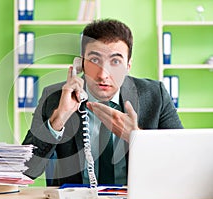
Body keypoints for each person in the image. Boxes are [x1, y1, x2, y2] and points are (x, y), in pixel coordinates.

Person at [22, 18, 183, 186]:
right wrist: (58, 119)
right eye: (94, 60)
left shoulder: (155, 95)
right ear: (81, 63)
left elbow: (182, 161)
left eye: (115, 61)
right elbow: (26, 171)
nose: (103, 75)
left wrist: (136, 137)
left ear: (128, 65)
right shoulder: (54, 97)